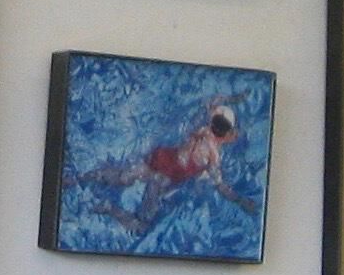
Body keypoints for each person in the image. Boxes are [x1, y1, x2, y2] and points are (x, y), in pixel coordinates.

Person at [77, 101, 255, 236]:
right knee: (141, 227)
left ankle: (77, 179)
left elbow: (211, 103)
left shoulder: (202, 129)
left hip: (158, 158)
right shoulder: (213, 156)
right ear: (229, 135)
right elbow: (221, 187)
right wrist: (241, 201)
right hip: (163, 179)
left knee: (121, 177)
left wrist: (234, 98)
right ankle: (108, 208)